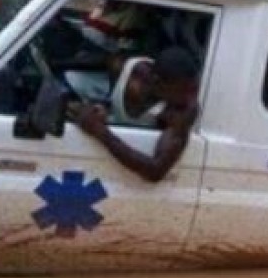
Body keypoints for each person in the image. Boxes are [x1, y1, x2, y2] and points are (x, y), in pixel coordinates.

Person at [69, 46, 200, 182]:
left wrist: (100, 131)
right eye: (184, 91)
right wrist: (102, 107)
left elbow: (156, 171)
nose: (191, 98)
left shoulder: (182, 112)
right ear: (157, 83)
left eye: (194, 89)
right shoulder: (125, 68)